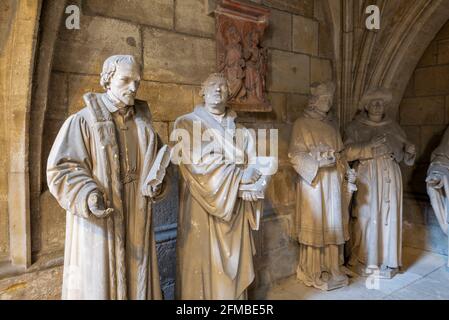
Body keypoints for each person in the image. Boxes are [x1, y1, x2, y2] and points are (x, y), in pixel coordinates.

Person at [47, 55, 168, 299]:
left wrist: (158, 183)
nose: (133, 87)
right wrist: (87, 194)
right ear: (108, 79)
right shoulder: (83, 121)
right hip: (102, 218)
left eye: (137, 81)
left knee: (138, 280)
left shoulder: (144, 125)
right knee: (102, 283)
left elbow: (159, 164)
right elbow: (62, 168)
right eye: (125, 80)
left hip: (137, 212)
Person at [173, 73, 265, 299]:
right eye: (213, 85)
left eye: (224, 86)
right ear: (201, 91)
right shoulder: (186, 123)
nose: (218, 89)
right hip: (201, 207)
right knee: (203, 260)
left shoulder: (242, 131)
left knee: (233, 275)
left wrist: (254, 182)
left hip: (234, 209)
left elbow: (256, 164)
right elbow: (196, 162)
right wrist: (239, 176)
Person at [288, 81, 355, 291]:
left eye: (330, 99)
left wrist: (346, 170)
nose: (328, 102)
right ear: (314, 101)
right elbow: (294, 154)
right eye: (324, 98)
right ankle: (315, 269)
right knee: (317, 224)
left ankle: (334, 266)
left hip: (333, 183)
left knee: (333, 222)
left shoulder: (332, 127)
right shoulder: (302, 124)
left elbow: (341, 156)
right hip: (314, 184)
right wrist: (316, 163)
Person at [344, 88, 416, 278]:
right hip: (367, 175)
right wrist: (369, 145)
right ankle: (365, 258)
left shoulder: (393, 126)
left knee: (389, 217)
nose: (377, 105)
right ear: (366, 106)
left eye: (381, 103)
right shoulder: (355, 127)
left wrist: (408, 151)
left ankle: (388, 259)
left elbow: (403, 152)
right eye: (374, 102)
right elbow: (346, 152)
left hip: (391, 176)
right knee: (366, 216)